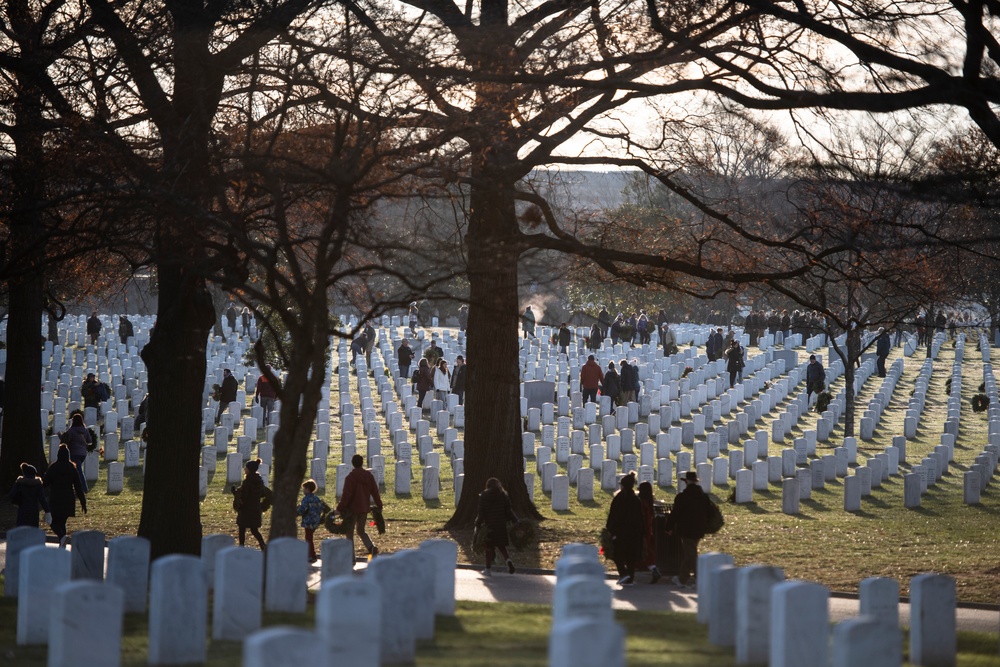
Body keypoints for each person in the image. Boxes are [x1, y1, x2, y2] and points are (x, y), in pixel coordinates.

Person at [666, 470, 712, 587]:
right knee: (689, 553)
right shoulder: (703, 497)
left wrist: (669, 526)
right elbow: (710, 512)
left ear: (686, 481)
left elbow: (675, 513)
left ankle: (699, 578)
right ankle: (682, 579)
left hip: (686, 529)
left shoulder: (682, 496)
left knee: (691, 554)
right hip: (699, 528)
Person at [336, 454, 383, 560]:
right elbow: (375, 492)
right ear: (362, 463)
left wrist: (339, 509)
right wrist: (379, 505)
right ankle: (371, 547)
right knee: (361, 530)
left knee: (349, 533)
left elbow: (346, 495)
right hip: (364, 508)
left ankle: (351, 558)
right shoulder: (369, 476)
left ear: (352, 463)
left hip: (351, 510)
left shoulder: (350, 478)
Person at [44, 444, 87, 547]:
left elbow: (45, 483)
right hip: (68, 499)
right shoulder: (72, 468)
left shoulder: (53, 467)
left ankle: (62, 537)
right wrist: (83, 502)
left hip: (56, 498)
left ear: (58, 455)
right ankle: (62, 542)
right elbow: (78, 486)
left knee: (53, 522)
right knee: (62, 521)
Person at [605, 472, 643, 586]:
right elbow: (640, 517)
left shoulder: (619, 498)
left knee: (617, 555)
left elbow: (614, 515)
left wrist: (610, 529)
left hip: (620, 532)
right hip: (634, 532)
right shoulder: (636, 499)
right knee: (631, 556)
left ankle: (623, 573)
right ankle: (630, 578)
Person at [475, 477, 518, 576]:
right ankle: (508, 561)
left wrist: (477, 524)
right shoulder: (503, 495)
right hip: (500, 525)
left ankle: (488, 569)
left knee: (489, 548)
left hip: (489, 525)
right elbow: (509, 511)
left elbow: (481, 513)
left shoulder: (484, 496)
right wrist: (516, 521)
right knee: (502, 546)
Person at [232, 458, 271, 550]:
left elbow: (244, 496)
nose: (244, 469)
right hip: (256, 508)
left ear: (249, 469)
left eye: (246, 468)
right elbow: (264, 494)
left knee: (242, 528)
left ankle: (241, 547)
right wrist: (262, 506)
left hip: (246, 509)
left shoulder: (247, 482)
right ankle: (262, 544)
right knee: (254, 530)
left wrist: (234, 492)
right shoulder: (259, 481)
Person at [296, 478, 330, 563]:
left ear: (307, 488)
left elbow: (302, 510)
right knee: (309, 537)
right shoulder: (317, 498)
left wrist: (295, 511)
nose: (303, 490)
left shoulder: (306, 499)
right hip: (316, 520)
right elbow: (322, 508)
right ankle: (310, 554)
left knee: (308, 539)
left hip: (308, 521)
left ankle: (312, 555)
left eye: (304, 488)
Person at [7, 463, 50, 528]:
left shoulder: (19, 483)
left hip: (22, 509)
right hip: (33, 510)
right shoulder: (38, 484)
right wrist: (47, 510)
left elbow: (11, 494)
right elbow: (42, 499)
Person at [59, 413, 93, 493]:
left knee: (79, 472)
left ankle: (84, 488)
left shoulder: (71, 431)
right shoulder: (85, 430)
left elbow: (67, 441)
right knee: (77, 470)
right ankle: (77, 487)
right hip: (83, 454)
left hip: (75, 453)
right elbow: (89, 441)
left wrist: (60, 436)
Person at [637, 481, 662, 584]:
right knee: (645, 550)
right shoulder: (649, 501)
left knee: (645, 551)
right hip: (648, 529)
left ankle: (654, 570)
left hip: (642, 530)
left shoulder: (641, 502)